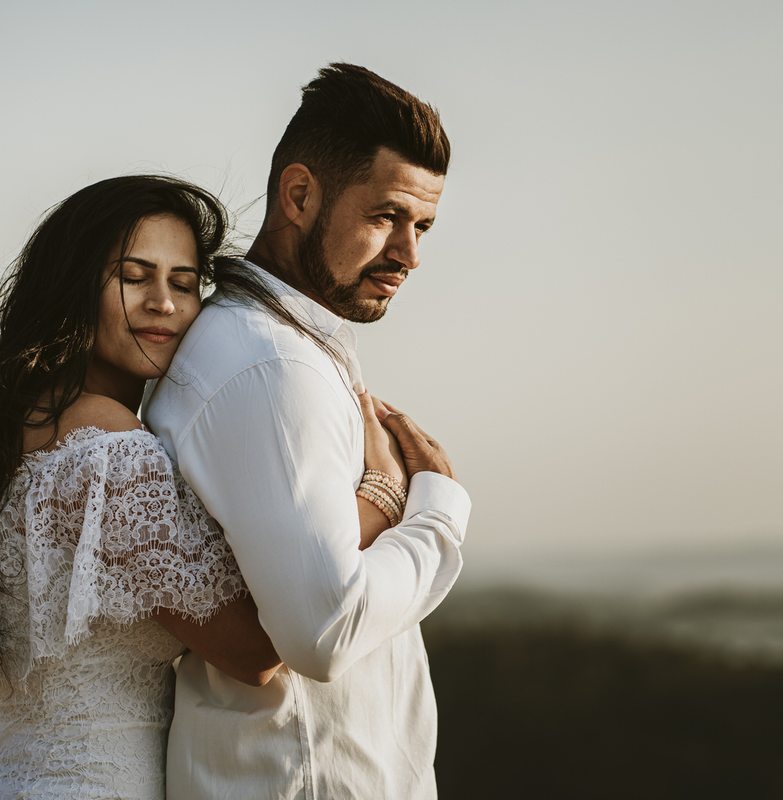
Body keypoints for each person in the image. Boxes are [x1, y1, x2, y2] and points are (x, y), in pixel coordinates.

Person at [0, 174, 420, 799]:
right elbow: (257, 649)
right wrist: (383, 498)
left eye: (183, 283)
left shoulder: (36, 421)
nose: (165, 303)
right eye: (134, 276)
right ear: (74, 288)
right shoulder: (101, 445)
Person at [143, 63, 470, 799]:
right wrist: (436, 511)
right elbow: (325, 632)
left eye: (422, 227)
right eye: (386, 217)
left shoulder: (277, 348)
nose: (409, 256)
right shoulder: (270, 366)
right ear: (299, 195)